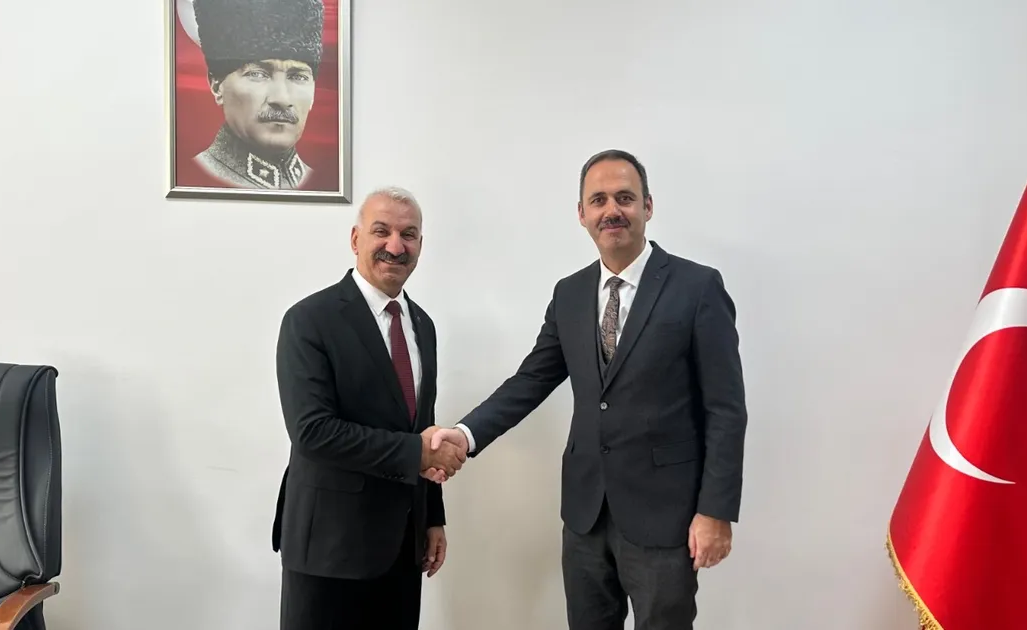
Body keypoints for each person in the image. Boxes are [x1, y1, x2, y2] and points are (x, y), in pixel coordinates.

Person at [429, 150, 749, 630]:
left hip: (666, 517)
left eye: (625, 197)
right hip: (585, 514)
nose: (611, 210)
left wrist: (715, 511)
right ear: (581, 214)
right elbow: (532, 380)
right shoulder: (570, 293)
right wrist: (466, 434)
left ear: (648, 206)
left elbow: (725, 409)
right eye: (598, 200)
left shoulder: (698, 287)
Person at [272, 186, 466, 630]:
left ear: (420, 245)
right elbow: (313, 432)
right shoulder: (309, 320)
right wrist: (417, 452)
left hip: (402, 546)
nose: (395, 246)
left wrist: (432, 518)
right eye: (382, 231)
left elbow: (422, 427)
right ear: (356, 238)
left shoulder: (423, 326)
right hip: (328, 548)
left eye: (408, 234)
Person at [189, 0, 322, 189]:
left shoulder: (319, 181)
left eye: (298, 77)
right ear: (217, 85)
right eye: (258, 74)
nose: (282, 99)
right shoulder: (195, 178)